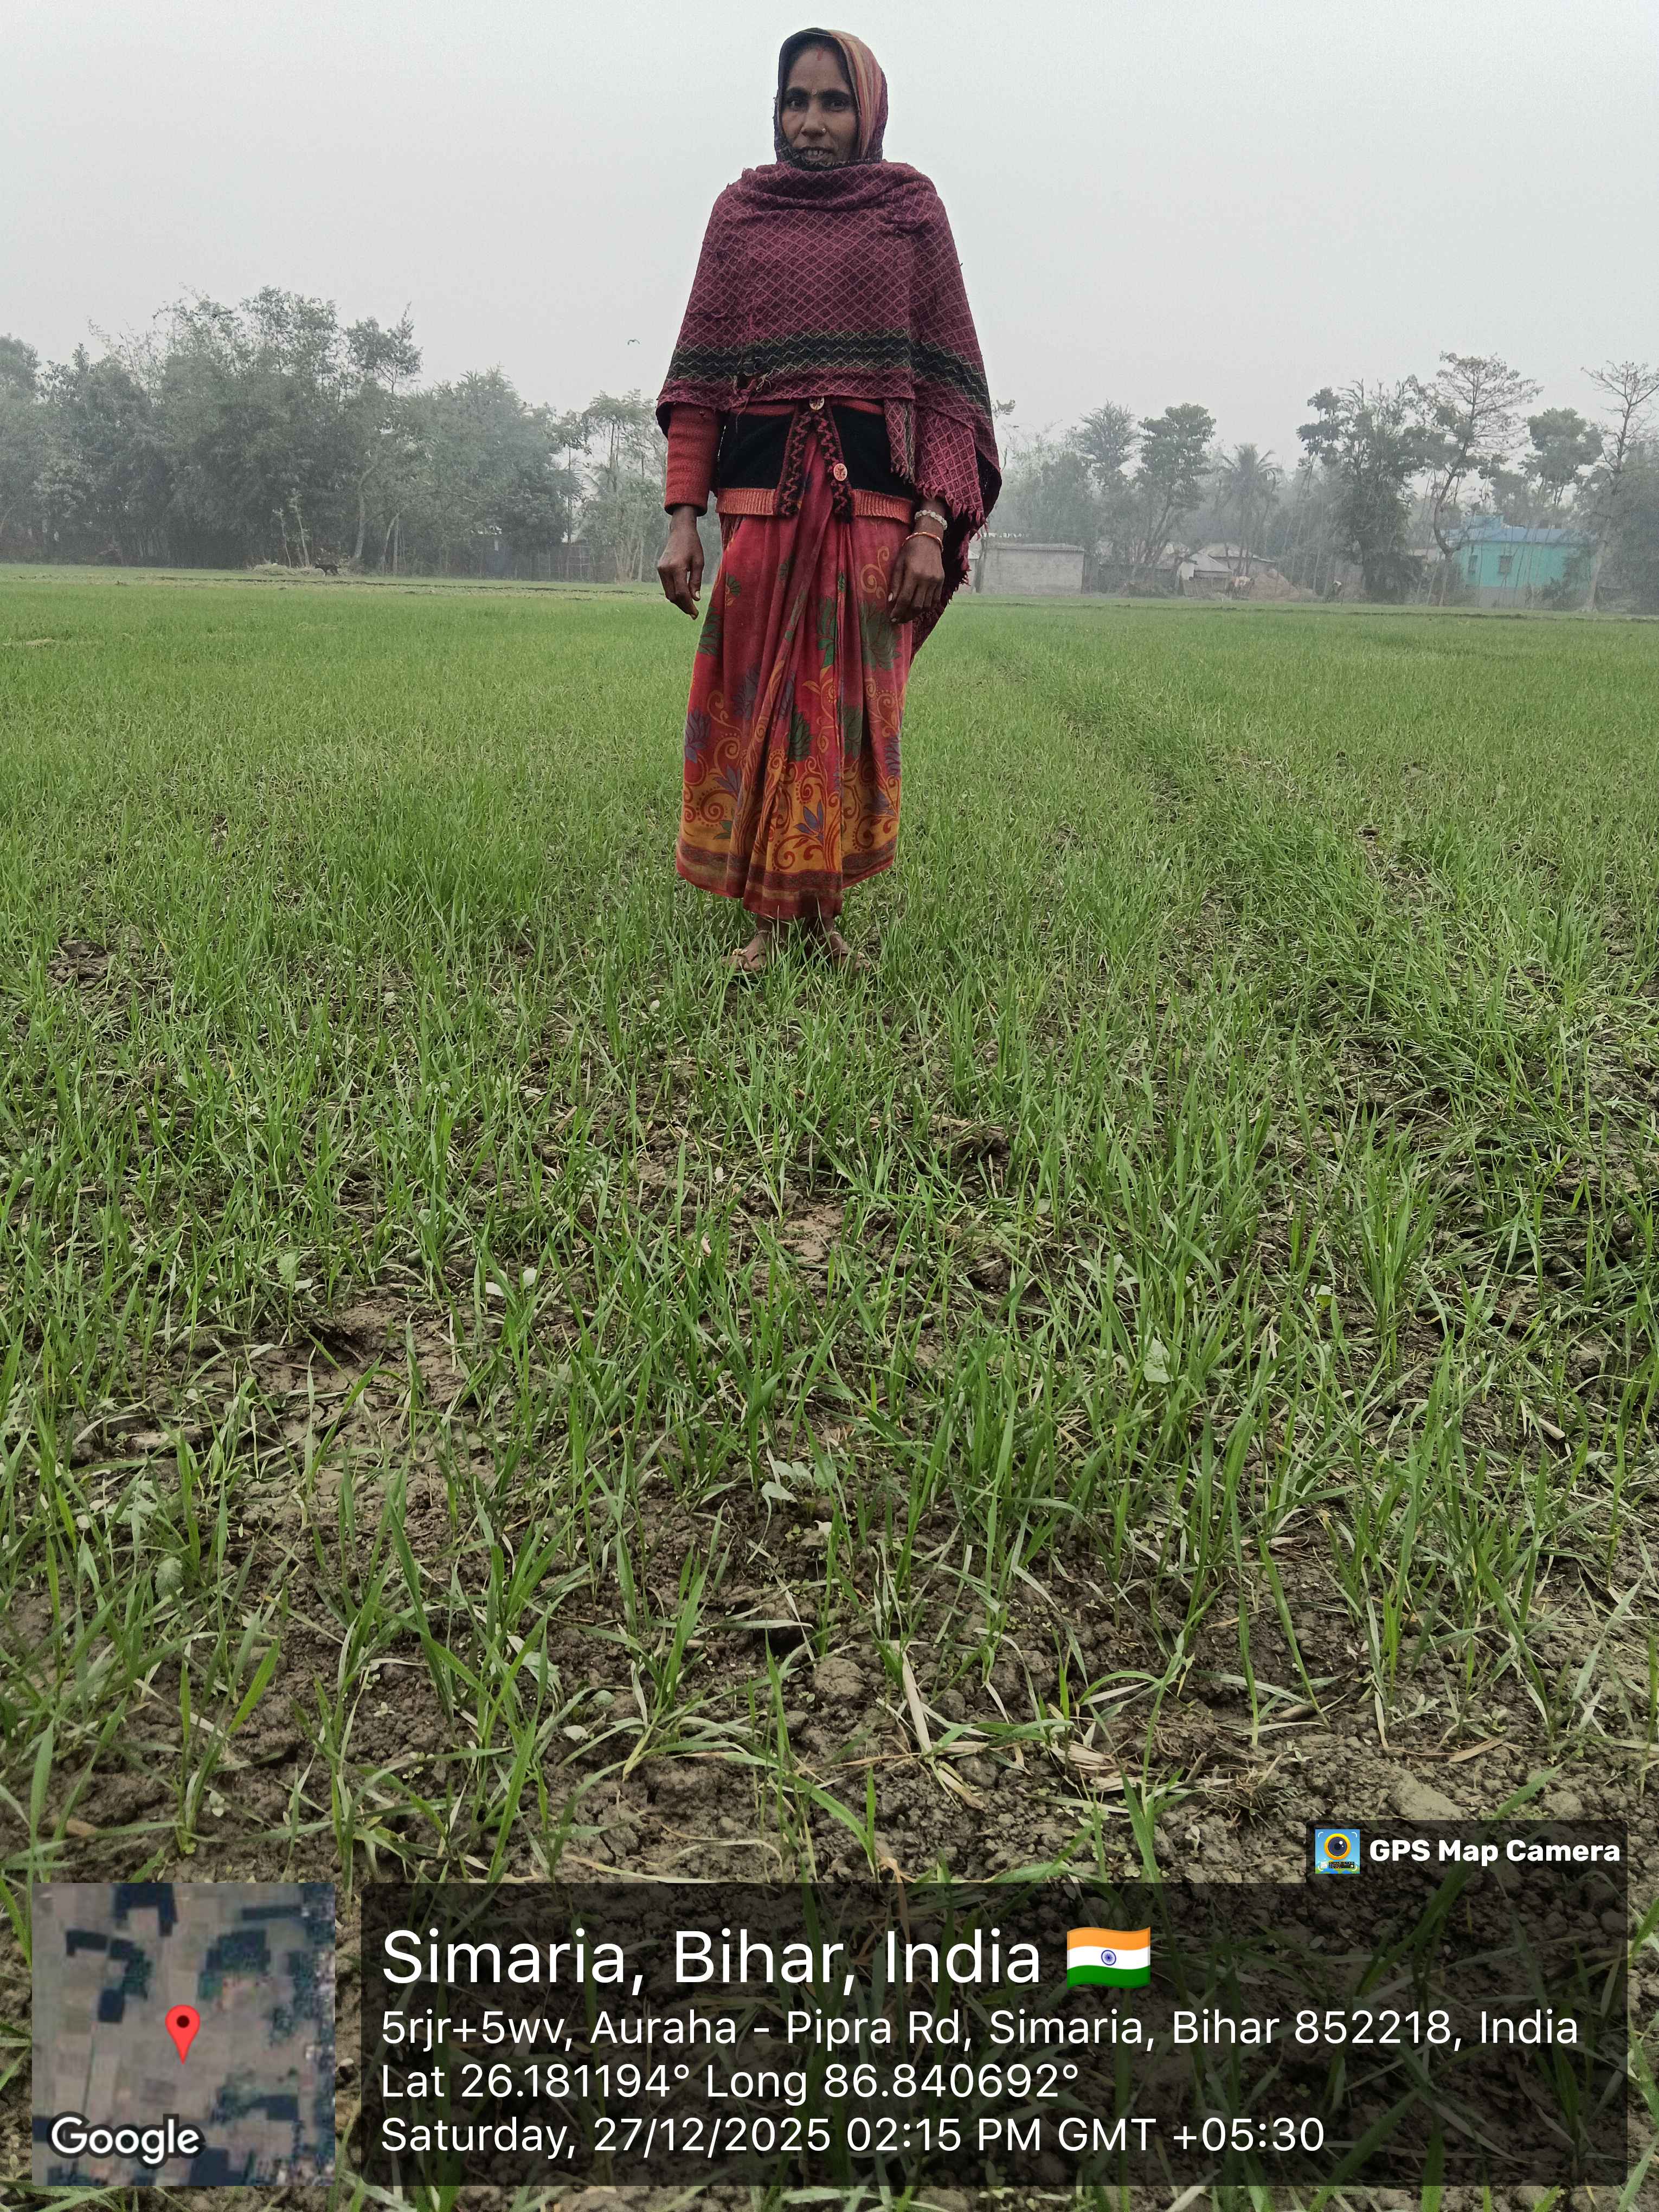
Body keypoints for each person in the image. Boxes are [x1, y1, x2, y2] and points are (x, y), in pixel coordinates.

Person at [656, 27, 1000, 972]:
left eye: (834, 103)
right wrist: (683, 518)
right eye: (796, 101)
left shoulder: (910, 213)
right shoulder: (740, 216)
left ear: (869, 112)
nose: (811, 122)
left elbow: (946, 388)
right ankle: (771, 926)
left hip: (876, 517)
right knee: (755, 702)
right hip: (761, 507)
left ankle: (821, 918)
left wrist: (933, 522)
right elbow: (699, 378)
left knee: (848, 715)